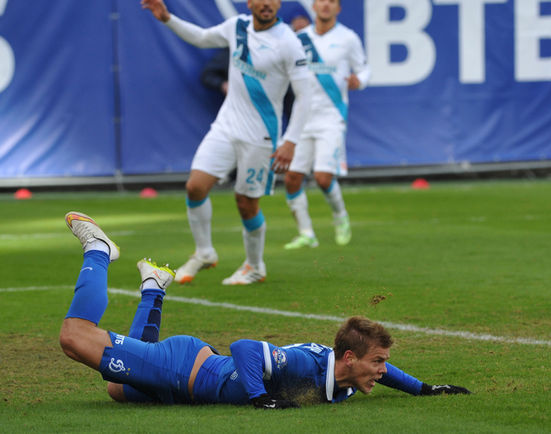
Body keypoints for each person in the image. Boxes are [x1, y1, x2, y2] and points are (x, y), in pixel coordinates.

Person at [58, 212, 471, 407]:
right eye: (378, 362)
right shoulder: (304, 364)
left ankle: (153, 288)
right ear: (349, 357)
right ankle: (99, 250)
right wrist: (260, 398)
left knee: (117, 389)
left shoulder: (347, 374)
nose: (382, 370)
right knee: (75, 338)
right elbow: (245, 348)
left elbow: (379, 367)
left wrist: (423, 389)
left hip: (188, 381)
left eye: (382, 363)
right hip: (183, 368)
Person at [141, 0, 313, 285]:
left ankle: (255, 266)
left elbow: (305, 95)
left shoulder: (289, 43)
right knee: (195, 187)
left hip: (261, 136)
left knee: (246, 203)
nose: (267, 4)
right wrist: (168, 18)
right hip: (225, 127)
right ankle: (204, 252)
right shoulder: (237, 26)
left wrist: (291, 142)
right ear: (250, 3)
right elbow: (201, 37)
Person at [282, 0, 370, 249]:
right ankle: (306, 233)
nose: (326, 5)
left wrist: (359, 80)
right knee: (291, 177)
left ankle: (340, 216)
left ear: (338, 8)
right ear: (314, 6)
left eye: (331, 1)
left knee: (322, 177)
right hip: (302, 117)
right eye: (321, 1)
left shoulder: (347, 38)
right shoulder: (300, 38)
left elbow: (364, 69)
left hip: (331, 116)